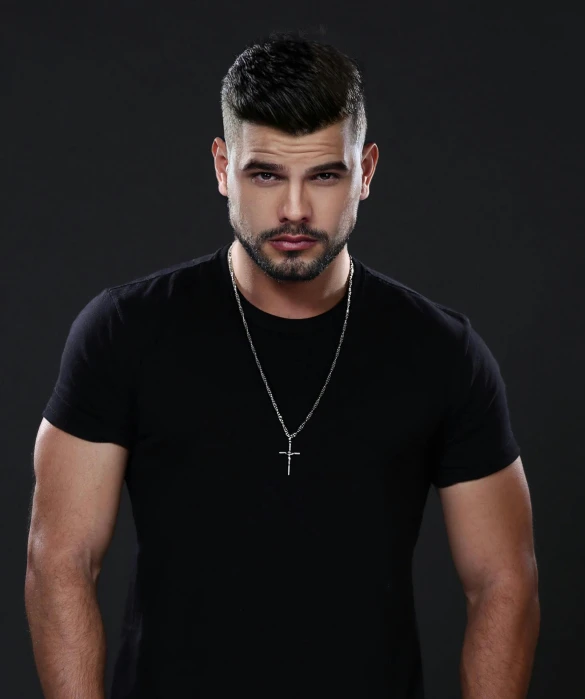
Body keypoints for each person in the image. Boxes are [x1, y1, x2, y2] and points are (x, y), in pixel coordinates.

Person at [26, 30, 539, 699]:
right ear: (220, 167)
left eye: (323, 174)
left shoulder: (442, 352)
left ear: (366, 171)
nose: (294, 209)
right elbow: (58, 557)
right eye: (264, 173)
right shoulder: (124, 331)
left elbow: (504, 578)